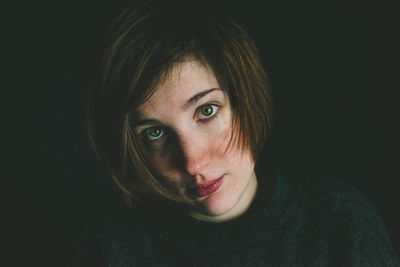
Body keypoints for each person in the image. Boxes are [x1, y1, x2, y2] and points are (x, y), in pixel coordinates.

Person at [76, 0, 399, 265]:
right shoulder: (111, 248)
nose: (193, 163)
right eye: (155, 133)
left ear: (246, 99)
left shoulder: (340, 222)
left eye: (207, 111)